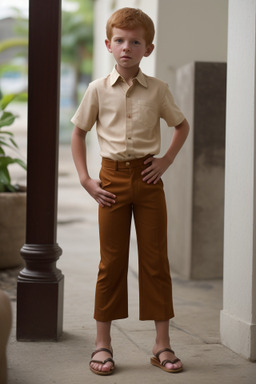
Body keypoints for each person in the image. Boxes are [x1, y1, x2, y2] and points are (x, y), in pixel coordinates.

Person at [71, 7, 189, 376]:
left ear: (147, 49)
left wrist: (166, 161)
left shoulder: (159, 90)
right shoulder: (96, 90)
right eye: (120, 40)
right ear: (108, 44)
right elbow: (78, 133)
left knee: (156, 261)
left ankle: (161, 344)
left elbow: (181, 126)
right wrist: (86, 180)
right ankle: (102, 344)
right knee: (112, 262)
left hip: (149, 180)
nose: (127, 48)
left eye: (135, 41)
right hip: (111, 182)